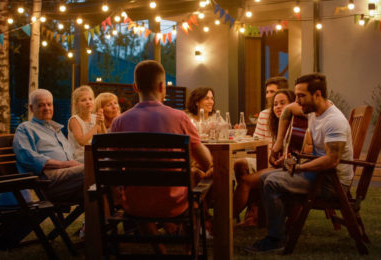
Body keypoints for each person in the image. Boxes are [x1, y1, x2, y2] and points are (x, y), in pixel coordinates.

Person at [110, 60, 213, 254]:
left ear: (135, 87)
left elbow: (113, 168)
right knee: (198, 187)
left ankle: (160, 251)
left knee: (141, 191)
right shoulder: (180, 118)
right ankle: (190, 249)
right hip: (173, 203)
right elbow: (206, 162)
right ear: (161, 87)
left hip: (134, 204)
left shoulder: (118, 122)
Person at [245, 73, 354, 253]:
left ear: (317, 94)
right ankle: (280, 231)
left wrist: (299, 167)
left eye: (301, 96)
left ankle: (275, 239)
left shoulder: (334, 121)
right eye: (296, 96)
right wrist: (278, 143)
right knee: (265, 177)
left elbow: (332, 160)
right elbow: (287, 110)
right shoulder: (312, 110)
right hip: (317, 174)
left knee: (272, 182)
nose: (297, 101)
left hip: (331, 183)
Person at [233, 89, 296, 225]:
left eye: (282, 103)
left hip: (290, 168)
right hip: (278, 165)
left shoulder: (297, 125)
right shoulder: (275, 123)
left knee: (245, 181)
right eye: (275, 104)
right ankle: (254, 212)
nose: (278, 107)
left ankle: (223, 221)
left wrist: (282, 160)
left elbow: (296, 155)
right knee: (239, 164)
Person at [13, 89, 84, 203]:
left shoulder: (56, 130)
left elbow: (72, 156)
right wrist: (64, 164)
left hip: (69, 178)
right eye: (41, 105)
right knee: (91, 170)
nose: (46, 108)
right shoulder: (25, 128)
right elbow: (27, 157)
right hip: (47, 182)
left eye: (49, 104)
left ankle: (101, 218)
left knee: (100, 173)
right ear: (31, 108)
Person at [68, 85, 104, 162]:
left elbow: (103, 139)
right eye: (83, 100)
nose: (88, 102)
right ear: (76, 104)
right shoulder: (74, 120)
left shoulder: (95, 117)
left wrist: (102, 123)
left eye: (90, 99)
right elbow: (82, 142)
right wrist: (96, 125)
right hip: (79, 157)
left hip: (94, 153)